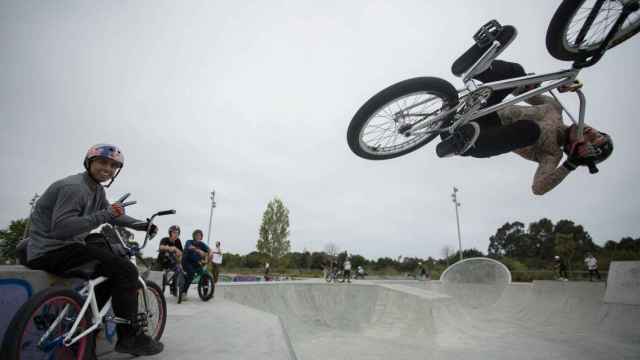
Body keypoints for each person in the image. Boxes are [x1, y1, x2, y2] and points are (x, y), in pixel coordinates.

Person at [24, 144, 163, 356]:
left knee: (107, 270)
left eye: (113, 166)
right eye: (102, 162)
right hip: (50, 251)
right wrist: (106, 214)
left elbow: (112, 214)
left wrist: (141, 225)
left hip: (64, 249)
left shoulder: (95, 189)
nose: (107, 168)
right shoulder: (75, 188)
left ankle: (87, 335)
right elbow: (62, 228)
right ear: (89, 162)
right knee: (126, 270)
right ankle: (129, 337)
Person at [436, 60, 614, 195]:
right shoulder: (555, 108)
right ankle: (477, 67)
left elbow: (538, 188)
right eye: (596, 132)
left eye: (593, 139)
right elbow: (521, 91)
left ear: (582, 151)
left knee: (531, 129)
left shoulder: (552, 154)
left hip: (480, 138)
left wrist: (571, 164)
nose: (591, 131)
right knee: (518, 73)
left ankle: (462, 141)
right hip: (481, 110)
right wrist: (536, 84)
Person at [182, 229, 210, 297]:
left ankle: (205, 293)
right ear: (194, 236)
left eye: (199, 235)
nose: (198, 236)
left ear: (201, 237)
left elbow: (208, 251)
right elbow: (190, 247)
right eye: (196, 235)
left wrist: (208, 257)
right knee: (191, 274)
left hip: (196, 263)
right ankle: (184, 292)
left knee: (205, 274)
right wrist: (198, 251)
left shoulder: (202, 244)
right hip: (187, 262)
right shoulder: (189, 241)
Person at [157, 225, 183, 295]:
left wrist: (175, 249)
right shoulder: (165, 239)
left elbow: (181, 252)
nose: (176, 234)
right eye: (174, 232)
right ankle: (158, 289)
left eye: (177, 233)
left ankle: (173, 286)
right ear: (170, 233)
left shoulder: (178, 241)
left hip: (172, 261)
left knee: (178, 269)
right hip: (162, 260)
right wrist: (168, 248)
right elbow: (161, 247)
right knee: (158, 276)